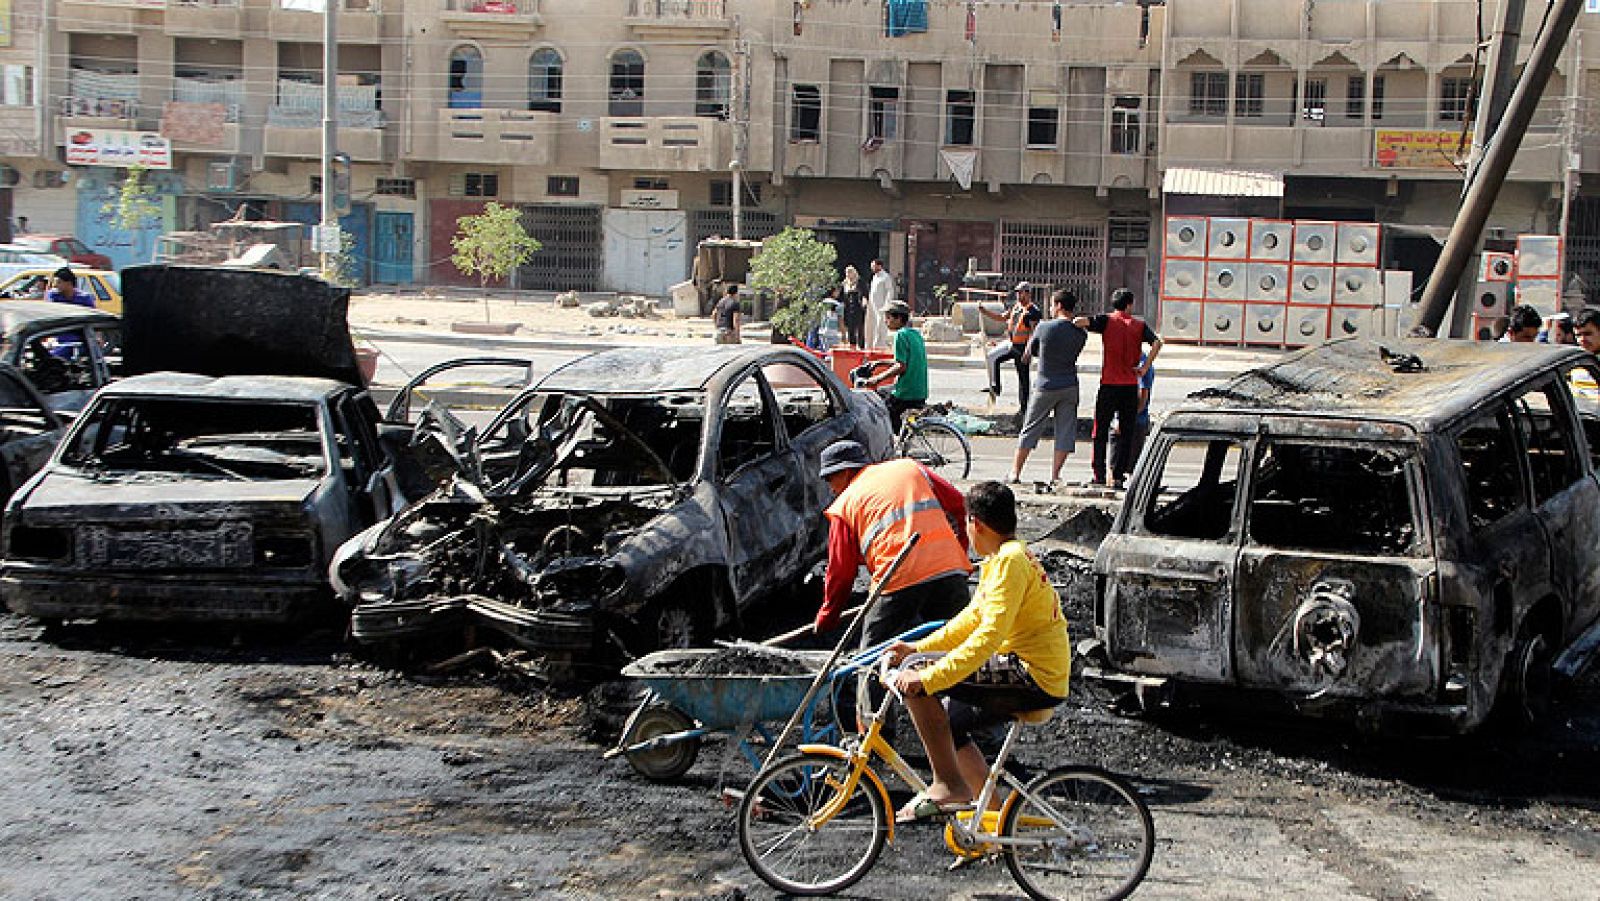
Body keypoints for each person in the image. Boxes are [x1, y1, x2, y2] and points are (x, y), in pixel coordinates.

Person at [884, 480, 1070, 822]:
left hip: (1033, 676)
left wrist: (927, 676)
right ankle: (993, 820)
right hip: (1028, 668)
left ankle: (947, 786)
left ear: (976, 524)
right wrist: (917, 648)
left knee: (922, 688)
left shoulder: (1010, 562)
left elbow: (986, 638)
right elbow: (970, 620)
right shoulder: (1003, 557)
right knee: (950, 719)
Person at [815, 439, 972, 724]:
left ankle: (873, 735)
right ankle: (970, 727)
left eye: (830, 478)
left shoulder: (846, 502)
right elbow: (961, 505)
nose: (829, 486)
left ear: (847, 472)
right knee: (960, 648)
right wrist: (960, 551)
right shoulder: (909, 468)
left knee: (873, 659)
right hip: (949, 571)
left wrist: (827, 617)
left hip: (898, 580)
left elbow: (841, 573)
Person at [1076, 287, 1161, 489]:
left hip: (1109, 384)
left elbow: (1081, 321)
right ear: (1129, 304)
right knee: (1127, 432)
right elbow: (1157, 342)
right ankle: (1118, 476)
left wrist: (1080, 322)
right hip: (1129, 385)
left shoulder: (1106, 321)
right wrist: (1145, 366)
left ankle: (1099, 474)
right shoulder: (1139, 325)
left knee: (1100, 431)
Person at [1010, 289, 1086, 488]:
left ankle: (1015, 472)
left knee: (1030, 428)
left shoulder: (1044, 327)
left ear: (1059, 306)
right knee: (1065, 431)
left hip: (1045, 385)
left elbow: (1029, 353)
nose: (1051, 309)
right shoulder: (1081, 333)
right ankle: (1055, 475)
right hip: (1069, 385)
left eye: (1052, 305)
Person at [858, 301, 926, 433]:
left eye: (888, 317)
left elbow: (901, 366)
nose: (885, 321)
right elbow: (904, 360)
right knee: (885, 393)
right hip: (920, 390)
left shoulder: (900, 335)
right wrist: (879, 363)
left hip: (906, 392)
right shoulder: (915, 334)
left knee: (880, 412)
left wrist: (877, 379)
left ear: (899, 319)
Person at [980, 282, 1041, 412]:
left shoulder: (1033, 311)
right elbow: (1003, 317)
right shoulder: (1016, 307)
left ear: (1028, 293)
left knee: (1023, 378)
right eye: (1018, 292)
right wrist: (985, 312)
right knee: (992, 357)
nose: (1018, 295)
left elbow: (1033, 333)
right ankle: (995, 387)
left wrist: (1028, 351)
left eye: (1021, 292)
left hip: (1023, 348)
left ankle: (1024, 408)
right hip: (1012, 344)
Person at [1111, 353, 1156, 482]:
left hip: (1134, 421)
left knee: (1128, 467)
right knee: (1116, 464)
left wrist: (1125, 419)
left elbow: (1142, 397)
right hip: (1124, 419)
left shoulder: (1141, 364)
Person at [866, 258, 896, 349]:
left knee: (881, 325)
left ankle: (881, 344)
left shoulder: (885, 277)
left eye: (874, 266)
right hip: (872, 305)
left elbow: (890, 291)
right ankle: (872, 344)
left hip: (881, 305)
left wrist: (887, 304)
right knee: (872, 325)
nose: (872, 268)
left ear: (879, 266)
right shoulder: (874, 277)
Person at [841, 264, 866, 347]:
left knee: (859, 327)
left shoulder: (860, 282)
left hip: (858, 307)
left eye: (850, 272)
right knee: (850, 327)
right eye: (847, 273)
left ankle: (861, 345)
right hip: (848, 307)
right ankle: (852, 345)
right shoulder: (845, 283)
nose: (848, 274)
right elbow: (842, 296)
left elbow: (865, 293)